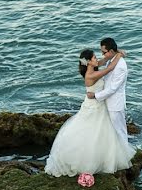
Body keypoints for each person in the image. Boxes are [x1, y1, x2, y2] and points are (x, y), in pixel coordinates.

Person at [44, 49, 136, 177]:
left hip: (98, 103)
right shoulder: (90, 75)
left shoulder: (93, 68)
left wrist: (115, 52)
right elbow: (109, 68)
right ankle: (90, 159)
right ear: (88, 62)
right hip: (94, 106)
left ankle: (102, 155)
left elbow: (104, 61)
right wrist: (119, 55)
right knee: (92, 131)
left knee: (102, 131)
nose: (97, 59)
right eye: (93, 58)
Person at [87, 37, 130, 144]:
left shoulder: (120, 66)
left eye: (103, 52)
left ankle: (125, 155)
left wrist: (95, 95)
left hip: (115, 103)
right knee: (112, 131)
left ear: (111, 51)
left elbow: (113, 88)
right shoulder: (110, 60)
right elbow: (107, 67)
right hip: (107, 101)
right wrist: (119, 53)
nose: (102, 55)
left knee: (120, 131)